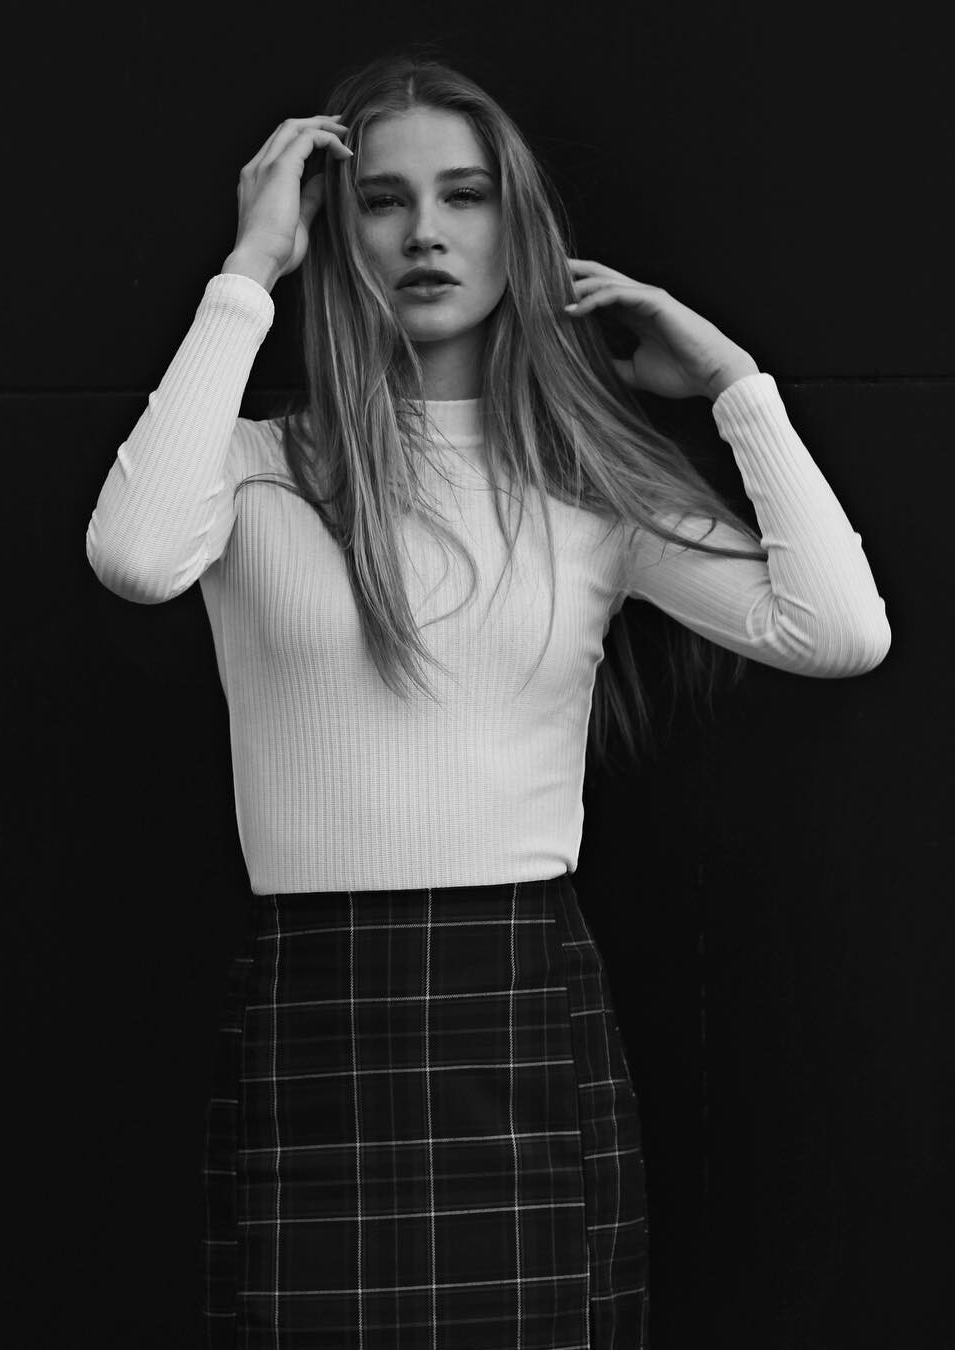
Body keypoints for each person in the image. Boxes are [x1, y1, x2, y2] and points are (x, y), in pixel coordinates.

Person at [84, 47, 891, 1350]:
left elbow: (840, 630)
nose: (426, 233)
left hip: (516, 1009)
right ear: (332, 231)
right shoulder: (247, 465)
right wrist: (248, 272)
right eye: (382, 200)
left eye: (466, 196)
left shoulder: (585, 489)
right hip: (318, 1012)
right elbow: (132, 557)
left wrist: (738, 387)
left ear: (519, 227)